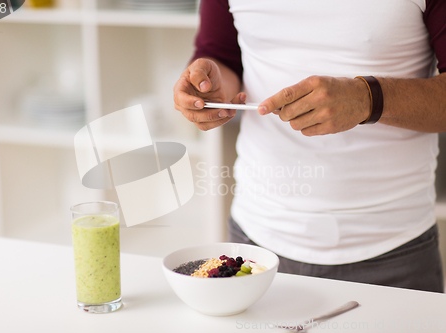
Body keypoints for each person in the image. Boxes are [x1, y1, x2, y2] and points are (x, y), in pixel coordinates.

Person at [173, 0, 446, 293]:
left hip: (392, 252)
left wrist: (367, 99)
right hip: (255, 245)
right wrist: (209, 89)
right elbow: (220, 55)